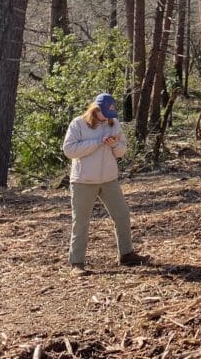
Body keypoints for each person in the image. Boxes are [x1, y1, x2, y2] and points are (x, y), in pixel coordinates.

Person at [62, 93, 144, 270]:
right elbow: (69, 150)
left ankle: (126, 254)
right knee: (81, 222)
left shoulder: (114, 124)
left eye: (110, 114)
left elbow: (121, 152)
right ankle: (77, 262)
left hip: (109, 179)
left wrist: (114, 144)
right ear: (95, 109)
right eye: (105, 114)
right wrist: (97, 142)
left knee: (122, 215)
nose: (107, 118)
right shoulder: (78, 124)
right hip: (83, 181)